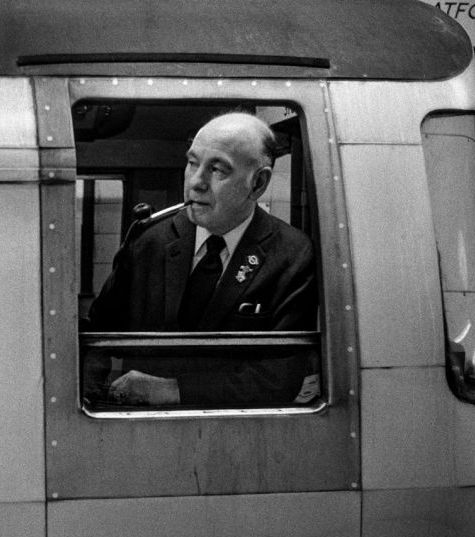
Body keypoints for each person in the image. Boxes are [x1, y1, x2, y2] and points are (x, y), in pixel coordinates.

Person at [84, 112, 317, 407]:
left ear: (258, 183)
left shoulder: (292, 255)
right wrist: (90, 393)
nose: (196, 182)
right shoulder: (148, 241)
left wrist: (171, 390)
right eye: (192, 163)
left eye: (218, 170)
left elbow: (278, 376)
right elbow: (98, 332)